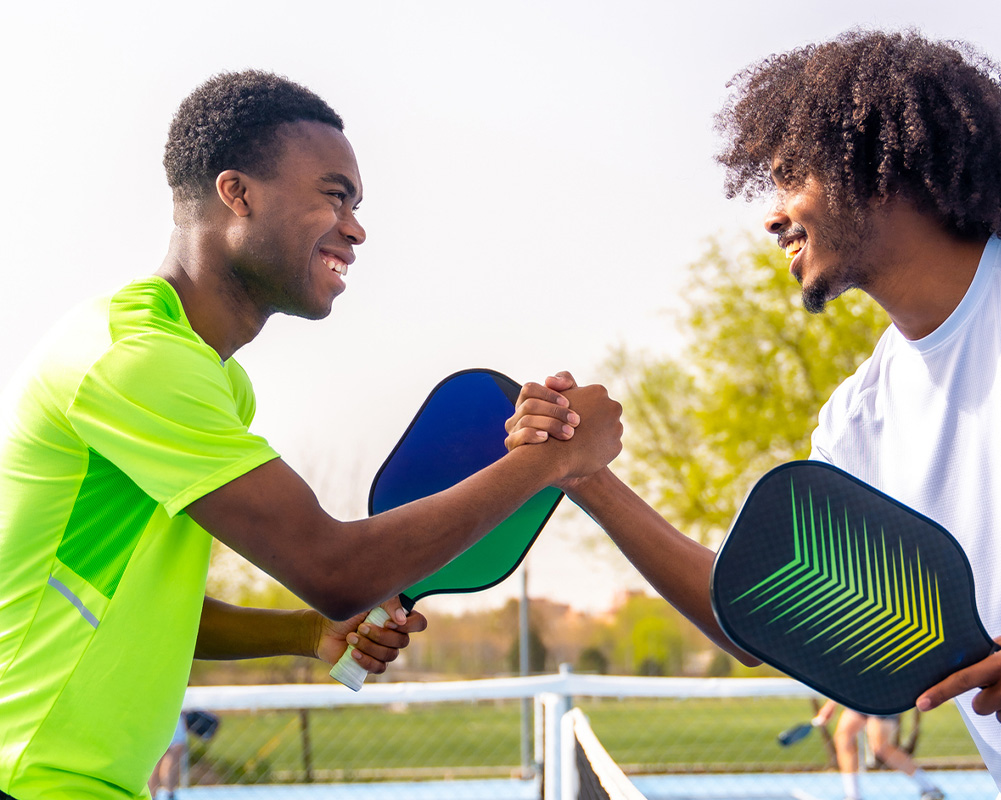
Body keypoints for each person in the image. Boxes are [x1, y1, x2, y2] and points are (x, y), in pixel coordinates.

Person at [505, 29, 1001, 799]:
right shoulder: (857, 422)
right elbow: (754, 612)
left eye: (790, 178)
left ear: (875, 165)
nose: (771, 218)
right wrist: (585, 478)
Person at [0, 70, 623, 800]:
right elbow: (334, 570)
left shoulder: (208, 376)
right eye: (334, 196)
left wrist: (302, 633)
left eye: (356, 205)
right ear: (238, 194)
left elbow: (136, 606)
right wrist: (554, 460)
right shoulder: (138, 362)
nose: (355, 228)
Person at [806, 700, 942, 800]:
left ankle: (929, 787)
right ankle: (853, 795)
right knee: (843, 737)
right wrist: (831, 705)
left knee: (880, 747)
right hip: (859, 697)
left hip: (883, 697)